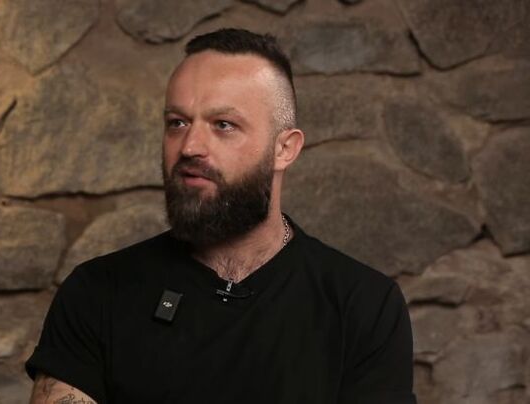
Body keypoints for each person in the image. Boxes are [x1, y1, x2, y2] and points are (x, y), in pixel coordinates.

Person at [26, 28, 416, 404]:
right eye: (177, 123)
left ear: (284, 149)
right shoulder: (98, 292)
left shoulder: (363, 305)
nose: (190, 146)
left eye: (223, 125)